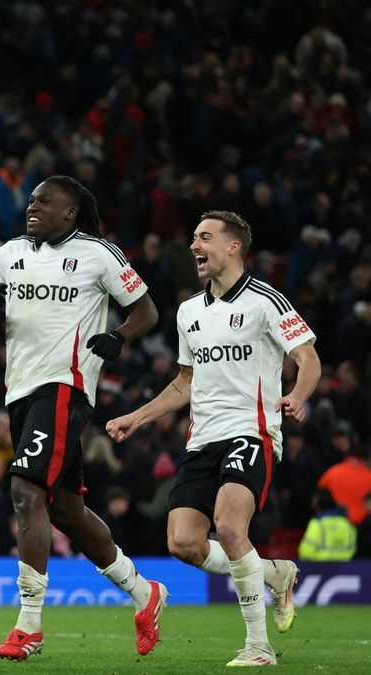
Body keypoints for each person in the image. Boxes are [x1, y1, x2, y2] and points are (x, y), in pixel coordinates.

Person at [0, 175, 165, 660]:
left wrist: (119, 336)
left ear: (71, 212)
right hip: (20, 392)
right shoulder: (9, 253)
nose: (33, 207)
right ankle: (144, 592)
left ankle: (28, 624)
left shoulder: (99, 254)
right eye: (31, 200)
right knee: (65, 510)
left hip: (65, 388)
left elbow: (147, 311)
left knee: (25, 490)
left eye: (44, 202)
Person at [106, 210, 321, 666]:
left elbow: (307, 356)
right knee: (183, 542)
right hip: (202, 439)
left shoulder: (267, 301)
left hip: (252, 430)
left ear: (233, 247)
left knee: (228, 525)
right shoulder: (189, 312)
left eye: (204, 237)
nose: (193, 246)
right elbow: (186, 382)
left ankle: (259, 646)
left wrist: (298, 395)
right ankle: (273, 573)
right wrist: (138, 416)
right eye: (193, 238)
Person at [298, 489, 357, 562]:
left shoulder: (317, 523)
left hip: (319, 567)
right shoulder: (347, 523)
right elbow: (352, 549)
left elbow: (306, 552)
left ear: (317, 502)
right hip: (347, 567)